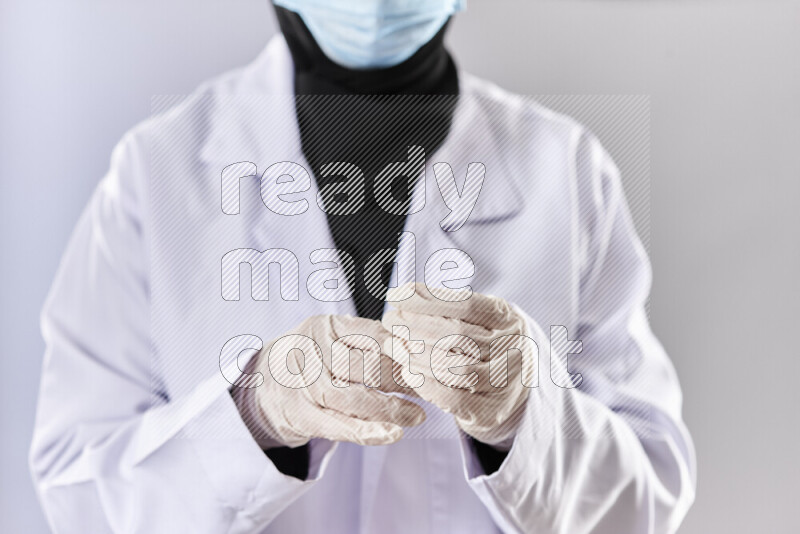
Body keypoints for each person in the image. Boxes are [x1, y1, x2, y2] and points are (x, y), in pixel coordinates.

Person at [29, 1, 696, 533]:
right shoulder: (157, 173)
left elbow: (648, 501)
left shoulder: (567, 169)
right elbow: (76, 499)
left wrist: (525, 419)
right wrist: (254, 417)